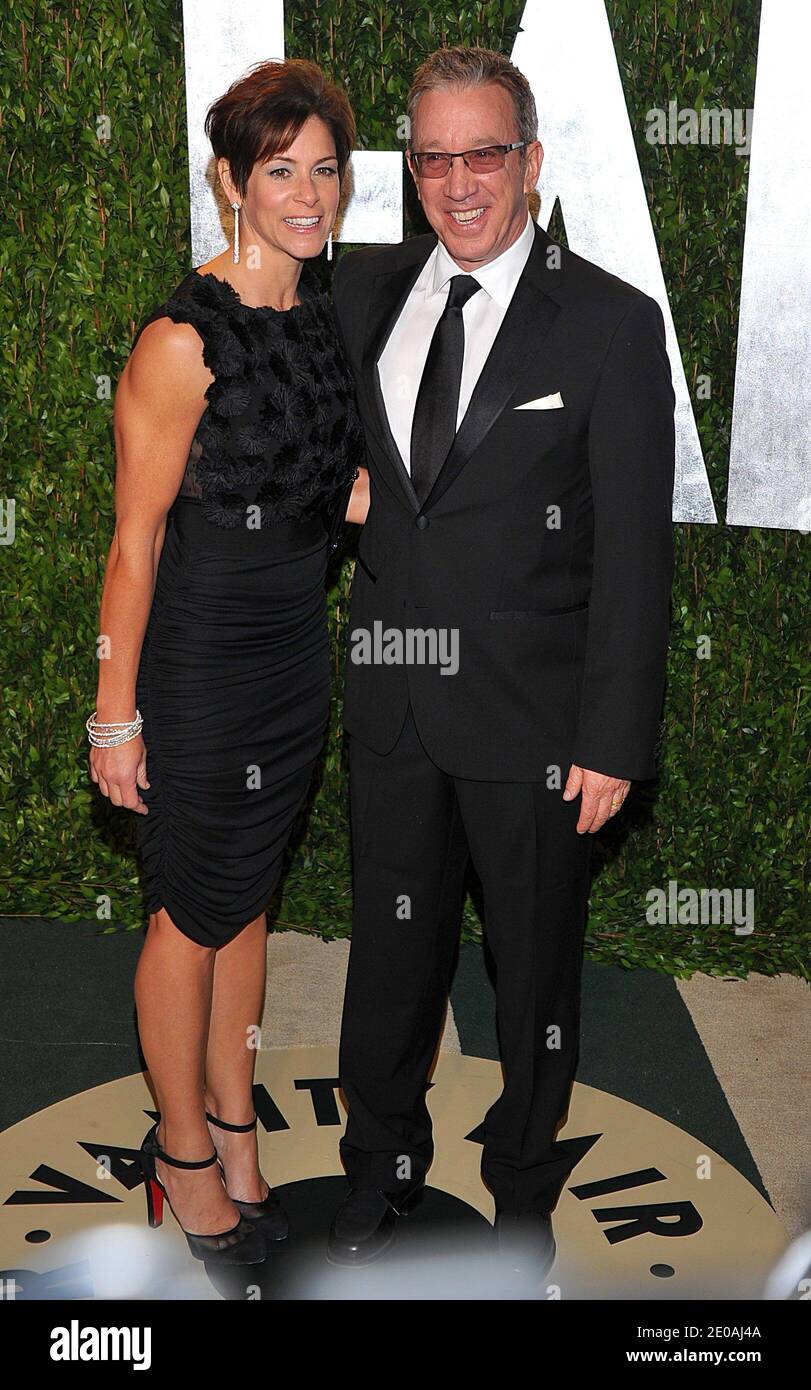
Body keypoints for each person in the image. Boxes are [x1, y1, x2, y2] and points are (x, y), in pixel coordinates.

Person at [328, 45, 675, 1276]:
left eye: (486, 153)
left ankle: (522, 1184)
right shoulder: (362, 295)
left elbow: (636, 554)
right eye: (435, 157)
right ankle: (378, 1162)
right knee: (389, 956)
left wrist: (612, 737)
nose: (460, 182)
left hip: (535, 723)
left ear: (529, 160)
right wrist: (341, 501)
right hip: (393, 705)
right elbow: (321, 454)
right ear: (409, 167)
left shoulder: (611, 325)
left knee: (532, 966)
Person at [88, 58, 368, 1267]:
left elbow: (329, 477)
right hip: (199, 662)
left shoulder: (321, 309)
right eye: (279, 172)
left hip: (291, 658)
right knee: (186, 919)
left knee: (247, 907)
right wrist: (115, 718)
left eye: (325, 169)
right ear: (229, 183)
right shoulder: (179, 342)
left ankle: (238, 1128)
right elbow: (134, 544)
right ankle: (183, 1152)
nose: (307, 194)